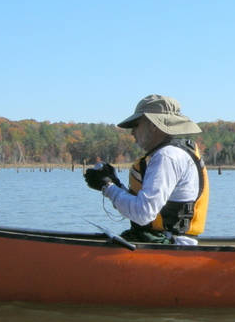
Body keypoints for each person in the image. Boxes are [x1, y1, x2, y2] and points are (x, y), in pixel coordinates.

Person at [84, 94, 209, 244]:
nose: (132, 131)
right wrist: (115, 184)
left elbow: (143, 213)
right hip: (166, 243)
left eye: (136, 124)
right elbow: (142, 207)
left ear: (154, 125)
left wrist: (107, 187)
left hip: (169, 248)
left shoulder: (167, 156)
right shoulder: (171, 153)